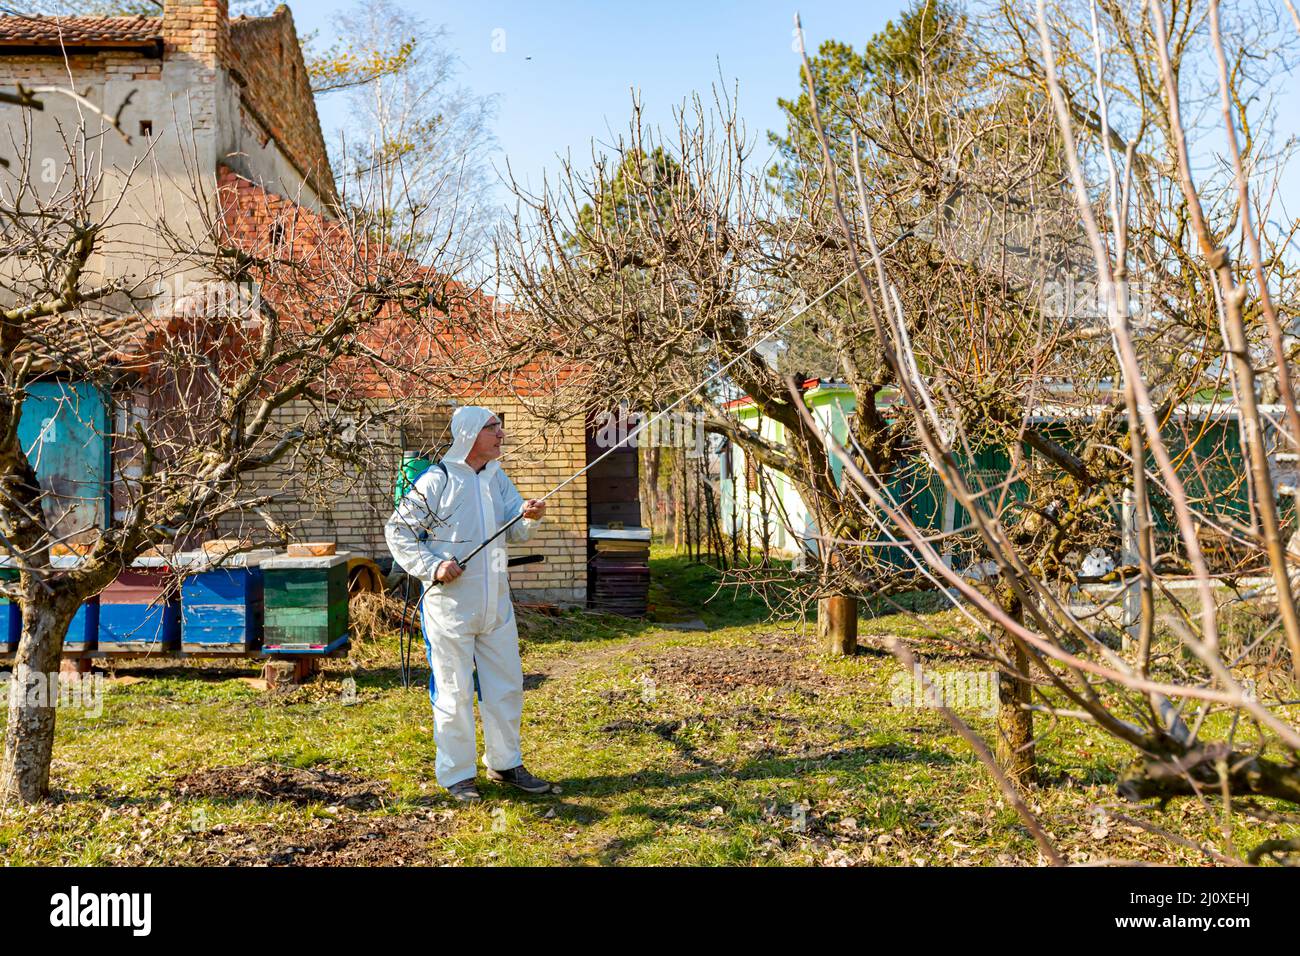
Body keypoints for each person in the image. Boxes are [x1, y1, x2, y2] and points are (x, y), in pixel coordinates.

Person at [385, 405, 551, 802]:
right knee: (454, 690)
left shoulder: (496, 477)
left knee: (506, 686)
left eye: (499, 427)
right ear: (471, 434)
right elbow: (399, 531)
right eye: (494, 428)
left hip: (495, 605)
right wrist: (433, 566)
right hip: (449, 607)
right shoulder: (437, 481)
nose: (501, 435)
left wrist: (531, 516)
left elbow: (518, 529)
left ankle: (505, 763)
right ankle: (457, 774)